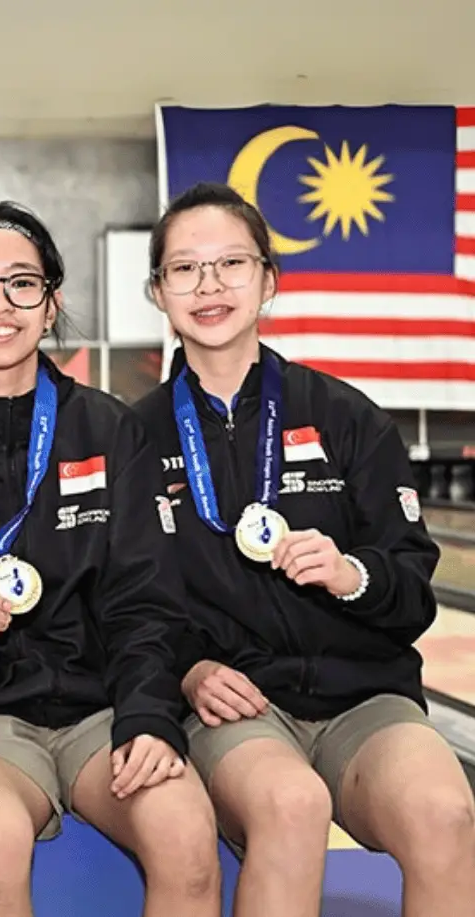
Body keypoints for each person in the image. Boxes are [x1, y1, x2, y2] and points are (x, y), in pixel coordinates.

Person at [0, 202, 221, 917]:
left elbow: (146, 603)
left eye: (22, 283)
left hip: (102, 714)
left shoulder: (108, 429)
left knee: (184, 831)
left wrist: (147, 716)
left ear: (51, 304)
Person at [134, 181, 475, 917]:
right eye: (185, 268)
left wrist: (353, 575)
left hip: (364, 698)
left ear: (269, 280)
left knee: (446, 812)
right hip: (236, 705)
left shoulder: (346, 417)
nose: (209, 285)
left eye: (232, 263)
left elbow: (413, 590)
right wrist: (188, 670)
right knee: (292, 803)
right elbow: (124, 602)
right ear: (158, 291)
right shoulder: (134, 438)